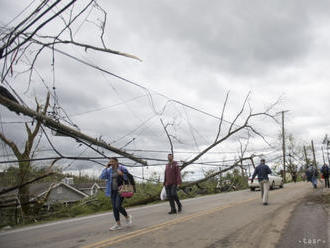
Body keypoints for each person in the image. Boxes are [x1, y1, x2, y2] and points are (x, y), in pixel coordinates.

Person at [99, 157, 132, 230]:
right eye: (110, 162)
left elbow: (129, 178)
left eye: (113, 161)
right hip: (112, 191)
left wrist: (122, 174)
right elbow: (101, 177)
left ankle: (127, 217)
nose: (111, 163)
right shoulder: (109, 170)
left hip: (121, 190)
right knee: (114, 208)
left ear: (117, 162)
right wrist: (106, 168)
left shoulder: (122, 168)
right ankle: (118, 224)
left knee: (118, 206)